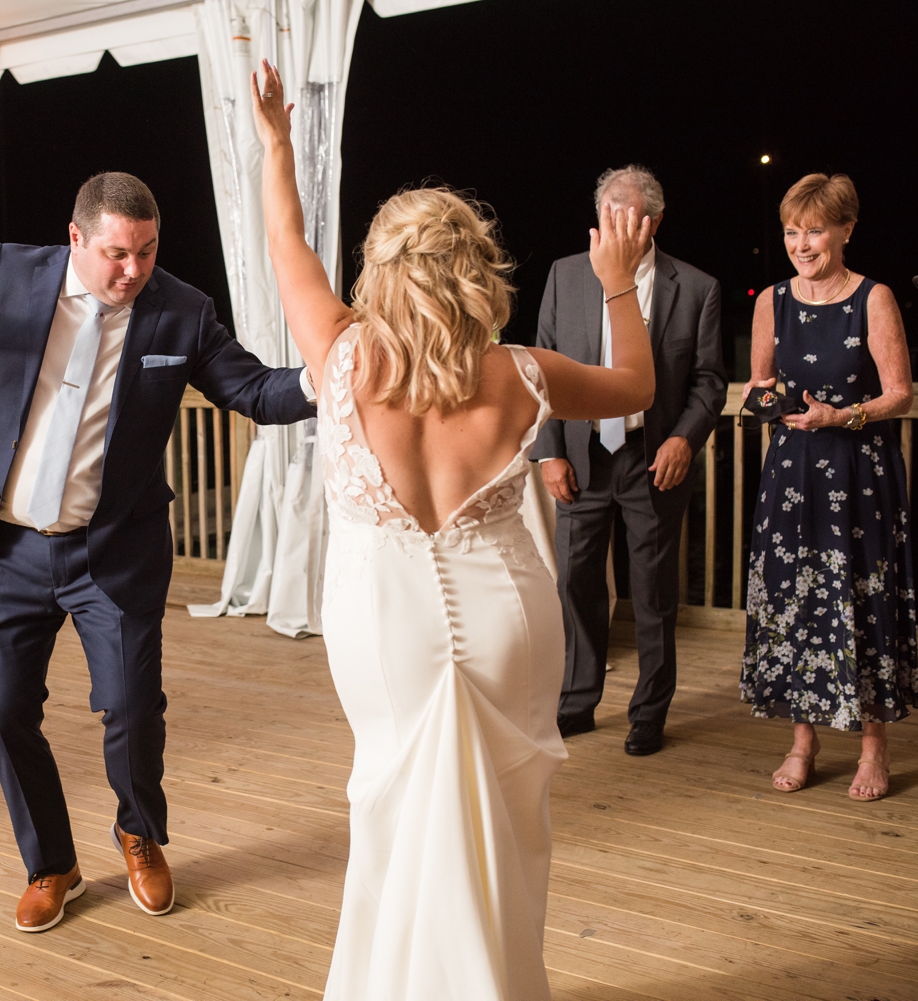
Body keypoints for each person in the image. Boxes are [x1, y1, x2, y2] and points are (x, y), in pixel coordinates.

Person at [250, 61, 655, 1000]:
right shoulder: (520, 373)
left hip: (384, 627)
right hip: (508, 619)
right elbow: (635, 388)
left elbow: (282, 239)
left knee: (395, 810)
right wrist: (619, 283)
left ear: (377, 270)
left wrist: (277, 141)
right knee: (507, 829)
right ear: (477, 271)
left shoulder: (342, 354)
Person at [0, 172, 316, 933]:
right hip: (7, 548)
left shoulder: (181, 310)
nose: (132, 270)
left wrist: (333, 374)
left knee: (133, 710)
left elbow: (257, 392)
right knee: (3, 715)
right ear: (75, 239)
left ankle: (140, 833)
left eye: (146, 251)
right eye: (115, 254)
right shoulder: (6, 273)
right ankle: (52, 863)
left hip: (115, 552)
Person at [532, 165, 727, 756]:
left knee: (653, 593)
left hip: (653, 458)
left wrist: (684, 440)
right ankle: (577, 702)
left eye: (630, 216)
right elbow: (540, 368)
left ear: (655, 222)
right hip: (582, 459)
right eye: (608, 215)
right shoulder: (565, 276)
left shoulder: (695, 287)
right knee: (576, 584)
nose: (617, 227)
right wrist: (549, 454)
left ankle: (649, 711)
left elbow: (710, 381)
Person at [740, 173, 918, 802]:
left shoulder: (873, 298)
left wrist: (840, 416)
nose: (802, 243)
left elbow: (900, 394)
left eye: (815, 230)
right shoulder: (772, 302)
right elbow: (758, 382)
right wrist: (768, 401)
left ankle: (874, 748)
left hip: (859, 472)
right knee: (796, 600)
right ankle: (803, 741)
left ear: (845, 230)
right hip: (790, 473)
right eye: (792, 231)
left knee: (863, 599)